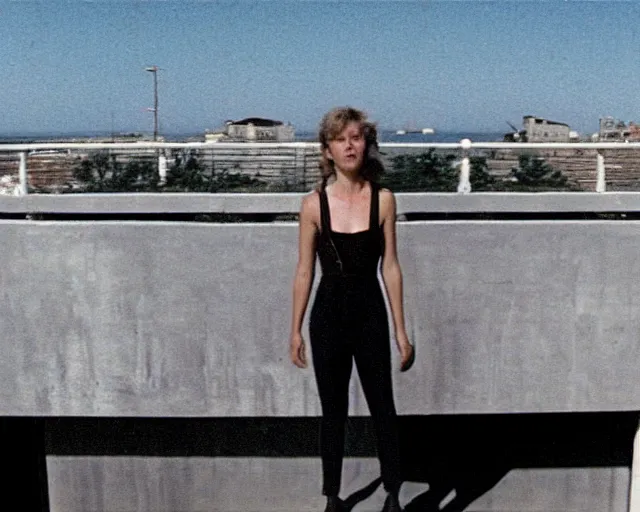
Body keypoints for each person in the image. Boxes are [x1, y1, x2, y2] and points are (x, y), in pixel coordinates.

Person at [289, 107, 414, 512]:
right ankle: (332, 497)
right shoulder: (312, 206)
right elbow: (305, 270)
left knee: (382, 405)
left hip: (370, 314)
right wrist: (294, 330)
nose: (349, 146)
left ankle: (394, 493)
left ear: (366, 144)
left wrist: (400, 329)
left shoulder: (383, 200)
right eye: (341, 139)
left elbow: (391, 266)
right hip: (327, 318)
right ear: (327, 149)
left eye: (356, 137)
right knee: (333, 411)